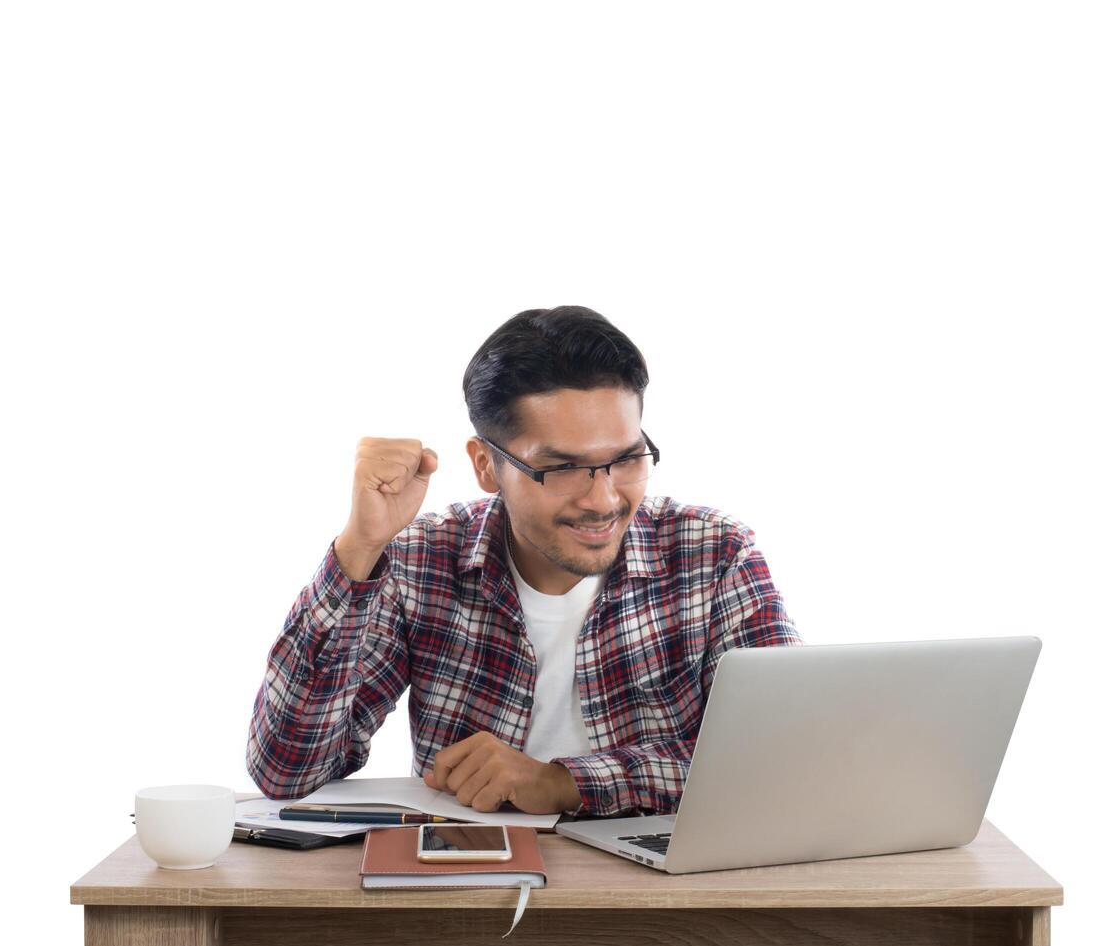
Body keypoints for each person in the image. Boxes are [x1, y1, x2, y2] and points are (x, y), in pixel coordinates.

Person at [245, 306, 803, 816]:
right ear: (487, 466)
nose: (603, 499)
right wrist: (360, 548)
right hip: (473, 887)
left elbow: (783, 757)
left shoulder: (714, 553)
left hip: (669, 894)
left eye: (626, 458)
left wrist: (565, 784)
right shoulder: (420, 561)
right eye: (561, 468)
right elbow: (286, 770)